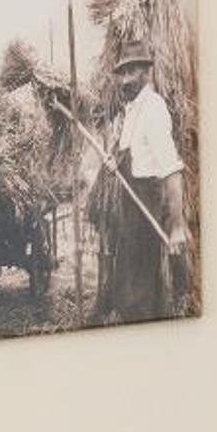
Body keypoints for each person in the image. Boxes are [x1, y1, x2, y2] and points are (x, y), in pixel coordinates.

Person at [89, 39, 192, 324]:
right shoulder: (134, 110)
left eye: (131, 71)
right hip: (130, 211)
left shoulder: (154, 109)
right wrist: (114, 163)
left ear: (146, 72)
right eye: (122, 73)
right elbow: (131, 156)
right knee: (131, 288)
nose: (124, 79)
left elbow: (171, 171)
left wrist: (178, 227)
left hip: (147, 209)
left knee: (140, 294)